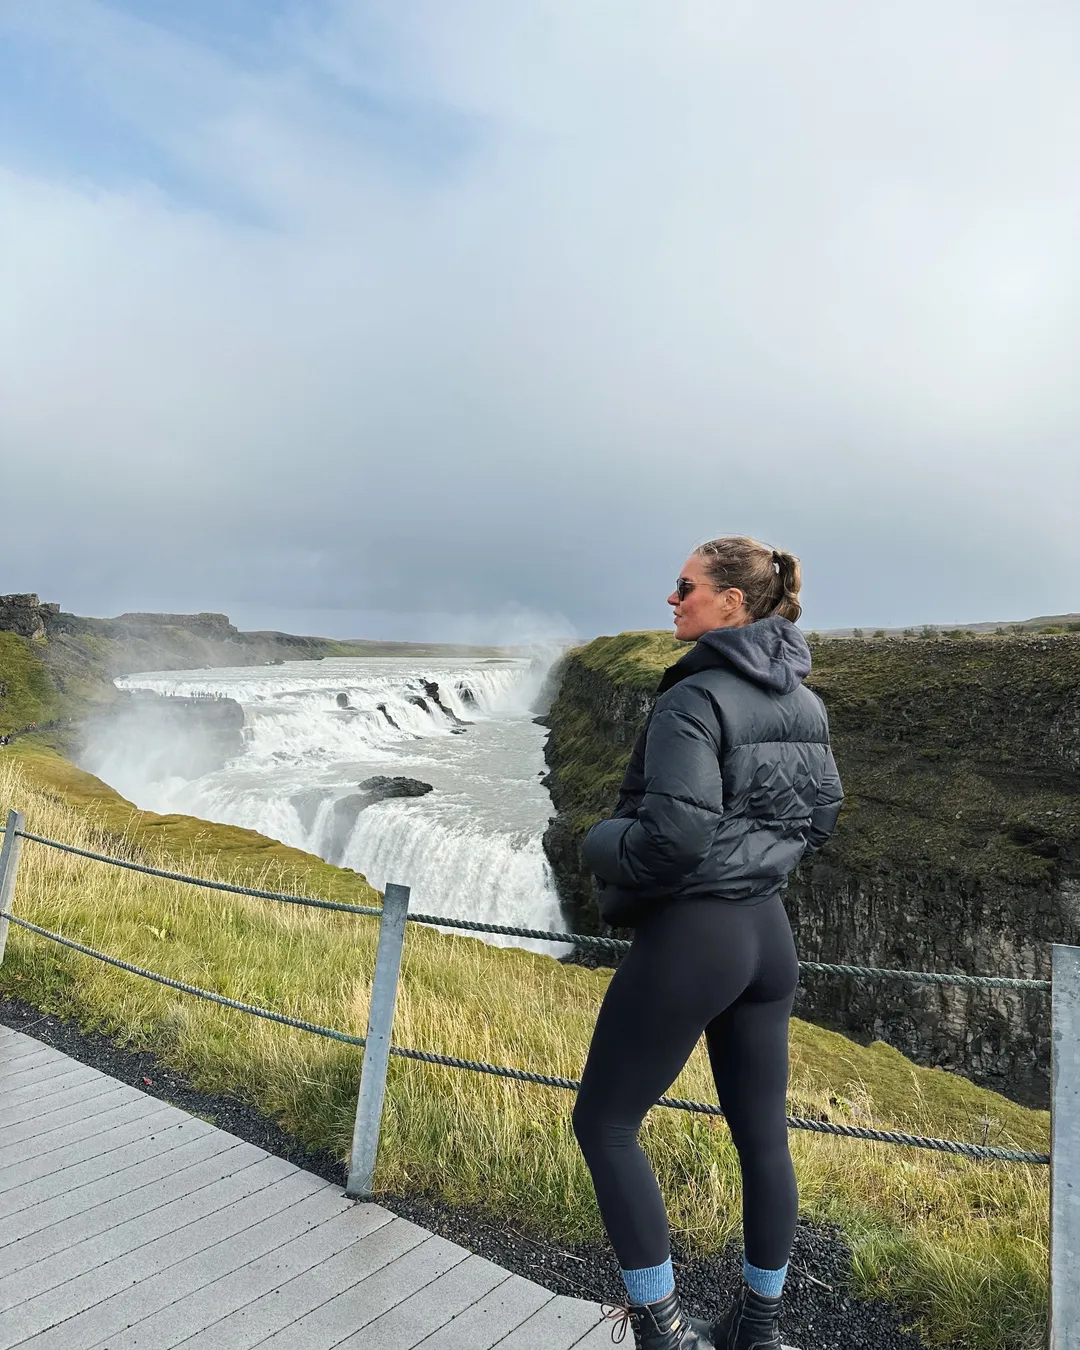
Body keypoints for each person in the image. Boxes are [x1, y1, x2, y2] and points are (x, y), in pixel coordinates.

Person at [573, 535, 843, 1350]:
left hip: (698, 935)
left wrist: (596, 840)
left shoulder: (693, 698)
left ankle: (664, 1330)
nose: (671, 598)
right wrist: (753, 854)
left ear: (731, 602)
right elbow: (820, 818)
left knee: (606, 1124)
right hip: (769, 936)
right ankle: (755, 1331)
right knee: (762, 1135)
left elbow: (673, 840)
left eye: (684, 585)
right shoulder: (805, 701)